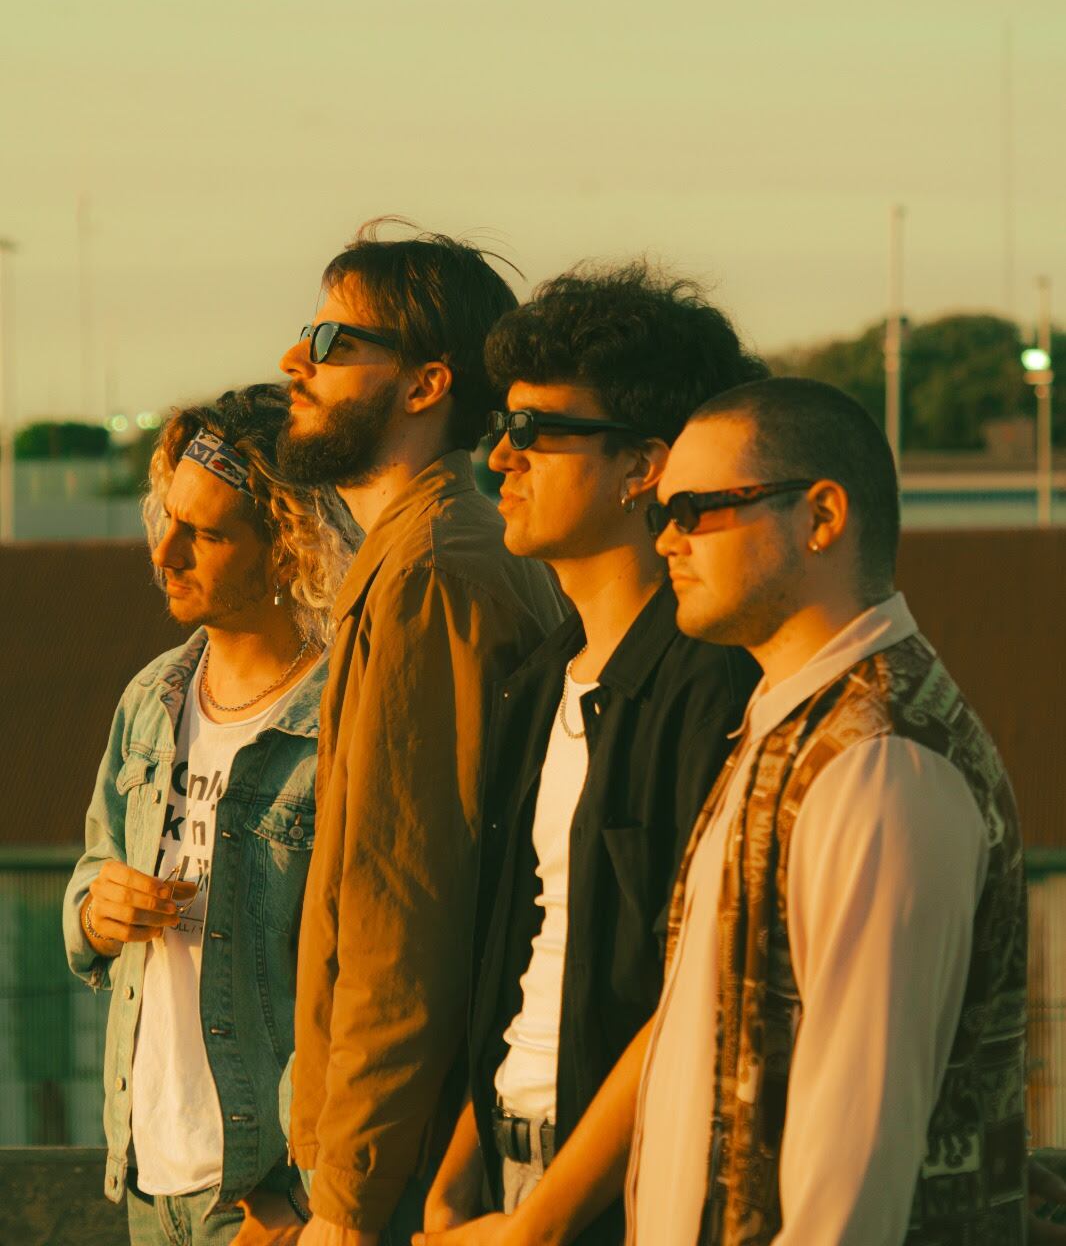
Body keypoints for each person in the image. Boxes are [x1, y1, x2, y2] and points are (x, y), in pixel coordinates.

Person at [626, 376, 1028, 1244]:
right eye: (662, 512)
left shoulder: (881, 764)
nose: (665, 539)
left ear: (821, 516)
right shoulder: (800, 725)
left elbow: (853, 1170)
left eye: (696, 508)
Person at [416, 265, 763, 1246]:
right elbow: (522, 952)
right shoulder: (536, 679)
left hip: (633, 1203)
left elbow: (693, 993)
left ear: (641, 465)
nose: (498, 460)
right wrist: (458, 1174)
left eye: (535, 432)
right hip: (506, 1183)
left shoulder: (716, 685)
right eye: (499, 429)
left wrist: (542, 1224)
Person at [273, 224, 564, 1246]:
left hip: (405, 1175)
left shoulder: (427, 575)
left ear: (426, 382)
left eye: (333, 339)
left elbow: (405, 905)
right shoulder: (424, 554)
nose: (292, 361)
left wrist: (346, 1203)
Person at [64, 384, 355, 1246]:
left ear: (287, 549)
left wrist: (304, 1199)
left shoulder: (341, 715)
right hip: (149, 1179)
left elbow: (379, 970)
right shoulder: (152, 698)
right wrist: (98, 906)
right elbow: (89, 870)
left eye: (209, 533)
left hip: (269, 1196)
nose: (166, 553)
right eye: (168, 519)